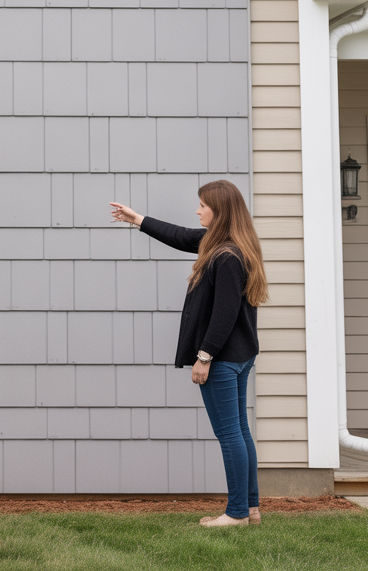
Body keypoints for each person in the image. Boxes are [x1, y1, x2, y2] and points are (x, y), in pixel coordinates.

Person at [110, 180, 268, 528]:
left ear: (220, 210)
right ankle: (251, 509)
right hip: (240, 354)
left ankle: (237, 513)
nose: (197, 211)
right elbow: (181, 236)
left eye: (202, 205)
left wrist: (205, 356)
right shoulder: (229, 244)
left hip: (223, 358)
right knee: (240, 431)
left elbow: (224, 313)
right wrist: (138, 219)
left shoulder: (226, 256)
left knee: (230, 434)